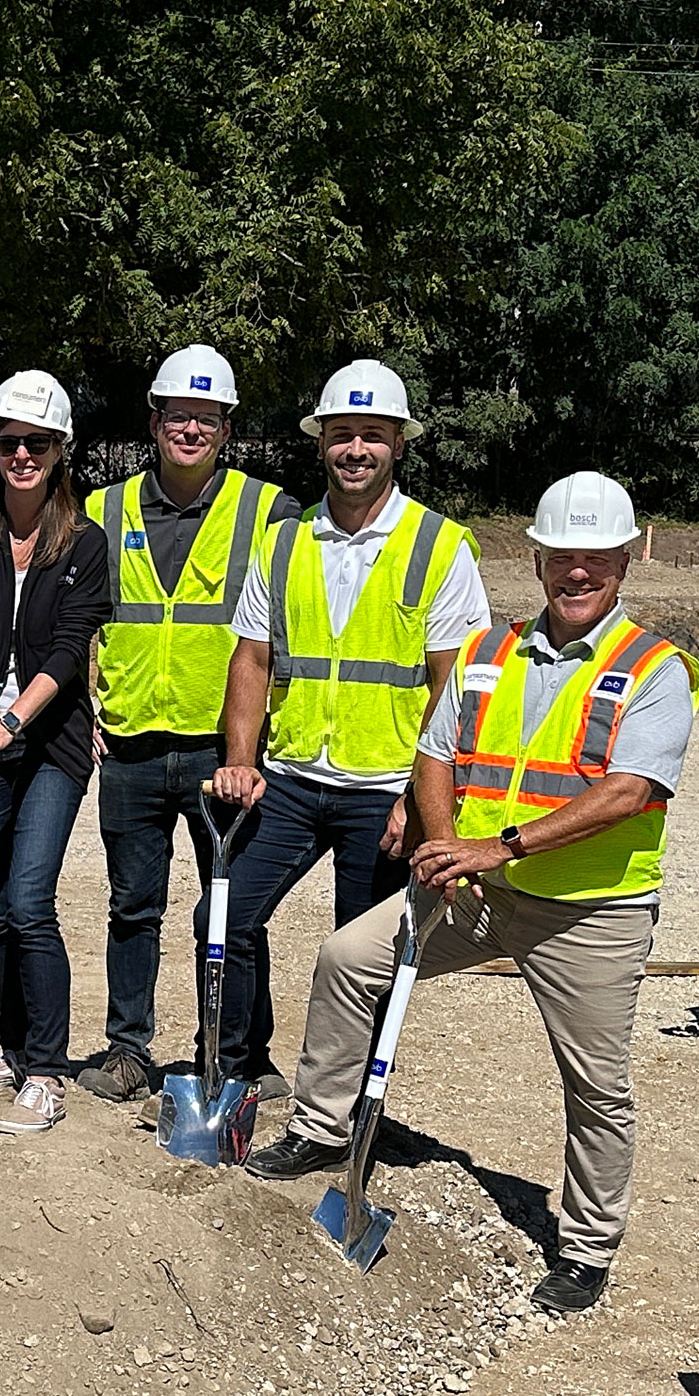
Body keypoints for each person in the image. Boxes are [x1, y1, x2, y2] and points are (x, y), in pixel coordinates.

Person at [246, 474, 699, 1316]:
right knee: (348, 957)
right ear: (536, 559)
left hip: (591, 911)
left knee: (595, 1085)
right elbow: (434, 752)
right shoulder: (492, 650)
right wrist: (444, 839)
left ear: (627, 560)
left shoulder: (654, 669)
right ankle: (321, 1127)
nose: (576, 573)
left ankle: (588, 1246)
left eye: (594, 559)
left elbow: (631, 790)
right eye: (562, 557)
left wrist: (502, 845)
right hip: (481, 890)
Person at [210, 358, 489, 1094]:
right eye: (342, 434)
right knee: (225, 916)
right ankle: (241, 1069)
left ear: (399, 443)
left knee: (357, 954)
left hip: (384, 791)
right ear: (322, 442)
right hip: (292, 779)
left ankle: (343, 1101)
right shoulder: (286, 540)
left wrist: (420, 799)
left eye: (372, 434)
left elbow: (454, 686)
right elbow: (252, 658)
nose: (355, 449)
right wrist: (242, 759)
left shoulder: (440, 546)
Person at [78, 345, 299, 1105]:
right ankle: (128, 1049)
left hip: (221, 747)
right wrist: (85, 703)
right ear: (155, 420)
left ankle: (240, 1053)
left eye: (206, 417)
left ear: (226, 428)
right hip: (134, 743)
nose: (191, 429)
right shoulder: (103, 510)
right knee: (131, 906)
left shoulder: (271, 512)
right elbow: (77, 620)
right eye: (179, 415)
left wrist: (263, 737)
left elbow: (284, 631)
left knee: (234, 908)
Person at [0, 371, 114, 1136]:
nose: (21, 455)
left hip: (51, 743)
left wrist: (6, 726)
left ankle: (46, 1068)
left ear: (59, 451)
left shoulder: (86, 543)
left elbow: (71, 650)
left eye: (35, 443)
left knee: (28, 899)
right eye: (8, 442)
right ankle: (10, 1049)